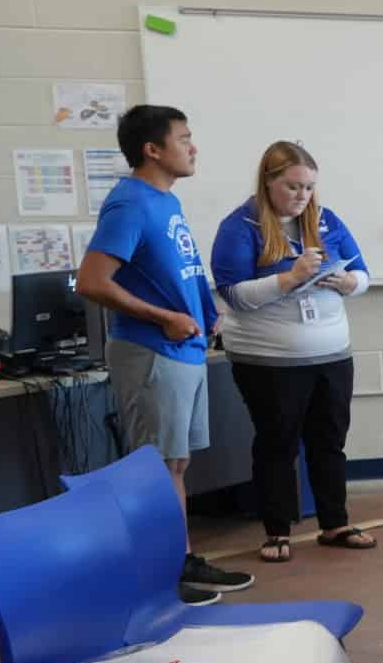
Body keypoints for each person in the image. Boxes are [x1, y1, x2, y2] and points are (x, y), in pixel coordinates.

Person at [77, 104, 254, 607]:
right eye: (184, 138)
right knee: (156, 467)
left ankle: (180, 560)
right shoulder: (131, 203)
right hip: (151, 349)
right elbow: (93, 282)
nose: (193, 146)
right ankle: (158, 578)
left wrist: (202, 310)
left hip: (185, 349)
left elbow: (177, 268)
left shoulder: (166, 203)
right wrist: (164, 318)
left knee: (174, 465)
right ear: (152, 149)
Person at [209, 141, 373, 564]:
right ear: (268, 183)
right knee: (278, 442)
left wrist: (349, 283)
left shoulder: (325, 218)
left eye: (309, 188)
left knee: (330, 439)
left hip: (332, 352)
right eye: (293, 187)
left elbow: (362, 272)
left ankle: (334, 523)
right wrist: (287, 279)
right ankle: (277, 530)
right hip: (268, 359)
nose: (302, 197)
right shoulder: (240, 226)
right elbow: (233, 295)